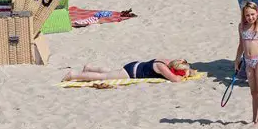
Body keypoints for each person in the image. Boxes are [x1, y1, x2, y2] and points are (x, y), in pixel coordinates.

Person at [234, 2, 258, 127]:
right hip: (248, 61)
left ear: (257, 13)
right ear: (244, 16)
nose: (250, 17)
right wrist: (236, 60)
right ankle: (254, 118)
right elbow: (241, 45)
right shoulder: (241, 27)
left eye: (253, 14)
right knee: (253, 92)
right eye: (247, 15)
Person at [63, 59, 192, 82]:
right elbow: (175, 79)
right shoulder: (162, 67)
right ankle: (74, 75)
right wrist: (184, 76)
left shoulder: (167, 60)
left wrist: (186, 70)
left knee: (110, 72)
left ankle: (89, 68)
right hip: (131, 73)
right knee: (103, 77)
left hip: (134, 65)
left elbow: (185, 66)